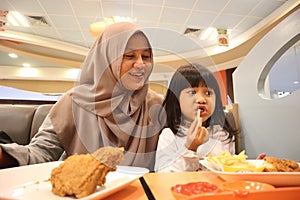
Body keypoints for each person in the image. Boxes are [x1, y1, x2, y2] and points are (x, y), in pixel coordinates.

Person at [0, 22, 164, 171]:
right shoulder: (73, 102)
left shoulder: (157, 105)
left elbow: (174, 155)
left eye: (146, 56)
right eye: (130, 56)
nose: (141, 64)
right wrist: (5, 155)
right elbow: (42, 152)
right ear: (106, 59)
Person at [155, 64, 238, 172]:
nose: (201, 99)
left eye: (208, 93)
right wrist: (191, 148)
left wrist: (252, 169)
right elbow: (163, 177)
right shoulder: (169, 136)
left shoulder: (222, 135)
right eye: (192, 92)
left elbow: (231, 171)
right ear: (176, 99)